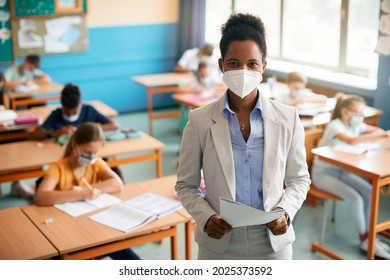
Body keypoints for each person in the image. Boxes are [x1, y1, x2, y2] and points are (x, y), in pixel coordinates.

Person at [175, 13, 310, 260]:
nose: (243, 71)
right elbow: (185, 185)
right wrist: (206, 218)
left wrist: (285, 212)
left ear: (264, 66)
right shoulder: (199, 120)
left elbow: (299, 179)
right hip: (220, 241)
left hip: (272, 242)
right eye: (234, 63)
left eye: (252, 64)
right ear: (221, 66)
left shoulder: (288, 118)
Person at [35, 122, 141, 260]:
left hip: (94, 226)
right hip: (65, 232)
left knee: (120, 247)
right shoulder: (58, 168)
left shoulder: (96, 163)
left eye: (95, 152)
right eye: (87, 152)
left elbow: (117, 183)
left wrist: (87, 189)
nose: (91, 156)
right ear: (74, 145)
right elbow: (41, 197)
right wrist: (79, 194)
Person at [311, 93, 390, 259]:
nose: (360, 117)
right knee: (357, 199)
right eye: (357, 113)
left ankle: (371, 237)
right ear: (345, 112)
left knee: (369, 191)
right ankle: (365, 241)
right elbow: (352, 141)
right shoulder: (335, 125)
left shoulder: (356, 125)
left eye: (362, 114)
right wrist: (378, 135)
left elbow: (372, 130)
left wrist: (382, 132)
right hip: (322, 174)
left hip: (341, 171)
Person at [9, 83, 121, 199]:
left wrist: (90, 131)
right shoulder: (56, 115)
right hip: (58, 155)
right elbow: (34, 135)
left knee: (115, 170)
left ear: (80, 105)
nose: (71, 115)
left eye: (74, 112)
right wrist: (55, 133)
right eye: (67, 112)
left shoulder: (89, 111)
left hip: (78, 177)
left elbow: (114, 124)